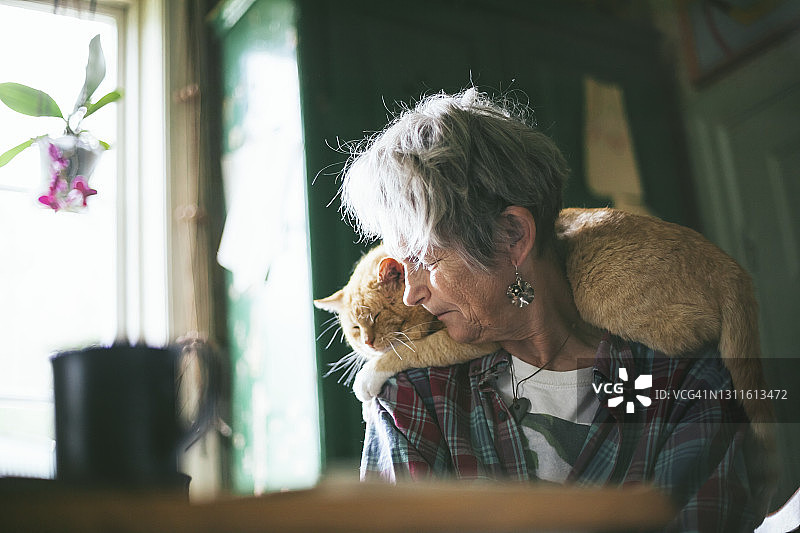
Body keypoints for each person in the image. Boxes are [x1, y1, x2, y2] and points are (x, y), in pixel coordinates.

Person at [339, 88, 771, 531]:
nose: (410, 295)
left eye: (425, 260)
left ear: (512, 236)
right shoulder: (416, 397)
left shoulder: (681, 382)